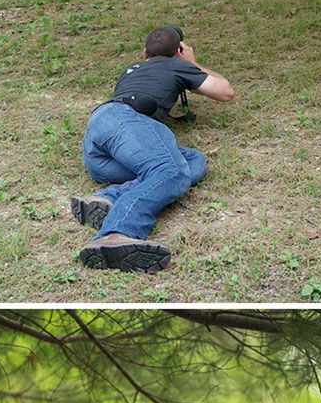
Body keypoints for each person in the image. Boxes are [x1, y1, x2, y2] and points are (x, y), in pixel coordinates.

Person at [72, 25, 235, 273]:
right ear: (178, 51)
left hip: (99, 141)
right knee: (174, 173)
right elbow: (225, 92)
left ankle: (106, 198)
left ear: (144, 52)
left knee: (192, 161)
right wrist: (193, 63)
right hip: (126, 123)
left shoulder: (131, 70)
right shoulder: (177, 64)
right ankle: (118, 232)